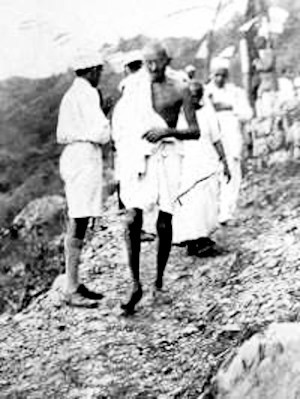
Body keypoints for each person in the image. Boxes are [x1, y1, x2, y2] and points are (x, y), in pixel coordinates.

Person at [112, 41, 200, 315]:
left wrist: (165, 132)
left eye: (157, 62)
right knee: (132, 218)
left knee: (164, 220)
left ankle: (158, 283)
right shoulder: (135, 87)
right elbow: (122, 124)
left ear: (167, 60)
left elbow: (195, 131)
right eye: (147, 62)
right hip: (141, 155)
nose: (152, 67)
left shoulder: (180, 88)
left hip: (168, 155)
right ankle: (135, 283)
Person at [56, 51, 110, 307]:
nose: (100, 75)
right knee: (78, 219)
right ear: (91, 70)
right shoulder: (87, 92)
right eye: (98, 70)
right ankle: (71, 286)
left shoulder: (72, 94)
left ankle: (74, 281)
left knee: (79, 217)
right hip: (83, 157)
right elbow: (101, 132)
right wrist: (105, 119)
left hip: (76, 156)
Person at [173, 80, 231, 256]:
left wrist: (225, 162)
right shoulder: (178, 117)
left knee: (208, 202)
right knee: (191, 203)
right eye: (192, 95)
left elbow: (216, 139)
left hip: (208, 164)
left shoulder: (207, 113)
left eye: (198, 95)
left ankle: (202, 238)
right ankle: (195, 240)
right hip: (187, 166)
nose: (195, 98)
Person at [206, 57, 253, 225]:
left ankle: (226, 213)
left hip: (232, 139)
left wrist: (229, 107)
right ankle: (212, 214)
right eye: (216, 75)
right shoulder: (204, 92)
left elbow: (248, 114)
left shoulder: (236, 92)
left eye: (223, 75)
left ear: (227, 75)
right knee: (212, 176)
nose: (219, 78)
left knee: (232, 175)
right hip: (211, 141)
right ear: (211, 75)